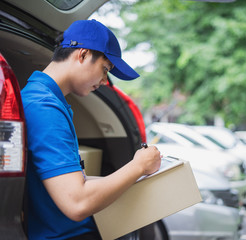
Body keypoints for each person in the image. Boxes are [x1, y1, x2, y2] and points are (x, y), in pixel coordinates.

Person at [21, 19, 161, 240]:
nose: (105, 81)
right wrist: (138, 167)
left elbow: (73, 182)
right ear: (83, 55)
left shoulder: (49, 101)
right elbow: (76, 203)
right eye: (105, 70)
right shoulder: (43, 107)